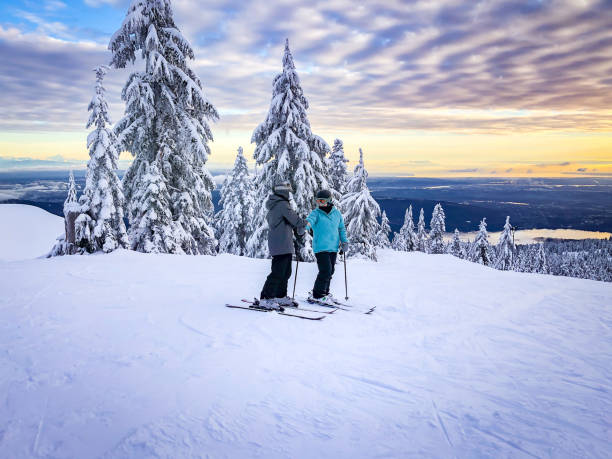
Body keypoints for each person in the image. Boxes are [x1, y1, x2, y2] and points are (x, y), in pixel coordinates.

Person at [258, 180, 306, 309]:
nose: (289, 194)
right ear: (283, 192)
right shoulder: (282, 205)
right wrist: (304, 223)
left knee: (285, 272)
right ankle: (266, 298)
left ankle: (280, 296)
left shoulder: (276, 205)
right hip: (282, 244)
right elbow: (295, 220)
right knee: (278, 272)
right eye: (288, 191)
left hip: (281, 243)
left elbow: (287, 222)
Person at [306, 189, 349, 304]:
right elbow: (309, 221)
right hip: (320, 247)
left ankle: (324, 292)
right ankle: (317, 295)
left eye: (322, 201)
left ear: (329, 201)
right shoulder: (316, 213)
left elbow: (341, 229)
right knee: (325, 270)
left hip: (333, 247)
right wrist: (305, 226)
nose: (320, 203)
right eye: (318, 201)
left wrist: (345, 242)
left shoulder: (337, 214)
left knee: (330, 271)